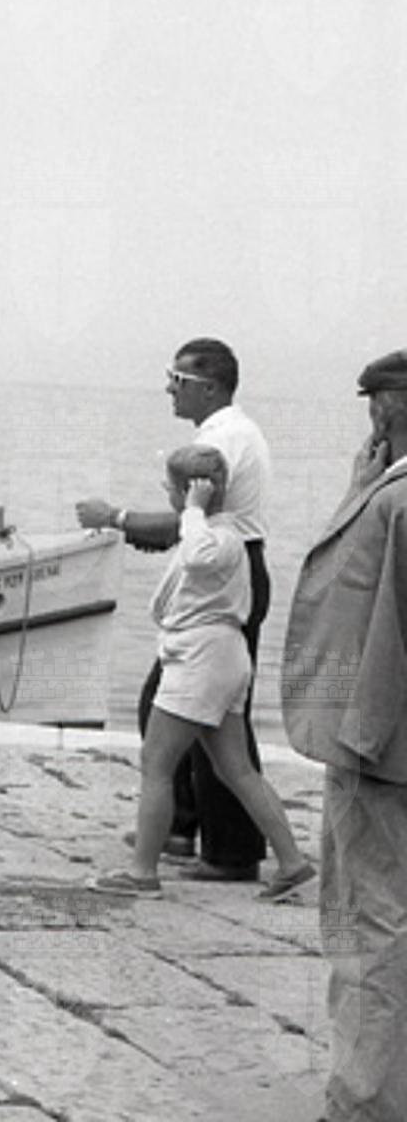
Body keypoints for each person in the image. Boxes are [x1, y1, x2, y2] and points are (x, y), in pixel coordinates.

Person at [76, 337, 273, 879]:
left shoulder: (225, 440)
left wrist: (115, 517)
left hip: (223, 578)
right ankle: (182, 827)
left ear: (209, 387)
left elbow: (190, 522)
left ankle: (230, 851)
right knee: (189, 710)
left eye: (178, 380)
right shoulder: (227, 434)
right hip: (227, 569)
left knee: (200, 714)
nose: (169, 388)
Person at [92, 446, 313, 899]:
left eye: (171, 488)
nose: (168, 495)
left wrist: (193, 510)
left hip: (201, 661)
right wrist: (194, 513)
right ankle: (292, 862)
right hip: (220, 658)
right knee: (235, 769)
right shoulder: (219, 534)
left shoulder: (218, 538)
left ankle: (142, 873)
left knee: (156, 763)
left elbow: (195, 556)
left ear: (190, 491)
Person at [281, 349, 407, 1122]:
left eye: (373, 403)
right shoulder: (387, 490)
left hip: (380, 746)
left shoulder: (401, 500)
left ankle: (363, 1101)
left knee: (367, 925)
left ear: (389, 407)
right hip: (382, 738)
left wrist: (364, 734)